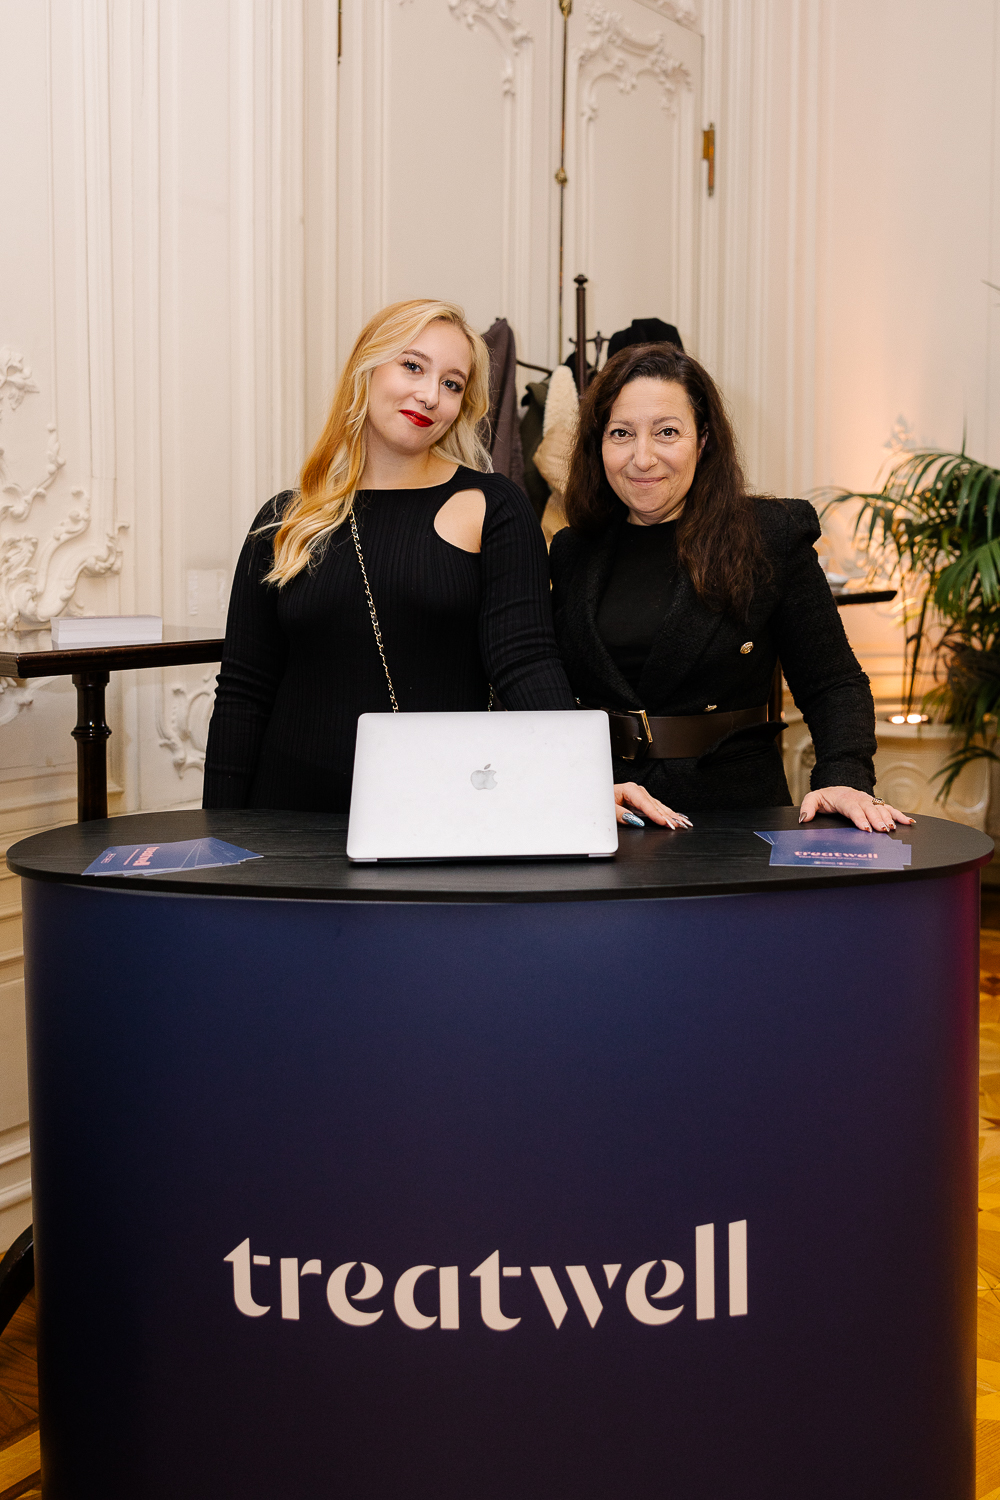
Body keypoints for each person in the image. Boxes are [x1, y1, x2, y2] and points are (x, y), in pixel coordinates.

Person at [203, 299, 576, 813]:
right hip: (287, 815)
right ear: (367, 368)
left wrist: (582, 777)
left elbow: (526, 661)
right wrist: (219, 833)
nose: (430, 395)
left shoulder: (493, 505)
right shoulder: (286, 518)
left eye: (452, 384)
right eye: (413, 366)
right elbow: (244, 692)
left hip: (436, 808)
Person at [549, 343, 913, 833]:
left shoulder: (769, 535)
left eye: (667, 432)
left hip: (735, 814)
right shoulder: (572, 550)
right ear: (598, 444)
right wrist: (576, 786)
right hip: (608, 812)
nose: (642, 457)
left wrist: (844, 777)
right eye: (621, 433)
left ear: (703, 441)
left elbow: (832, 682)